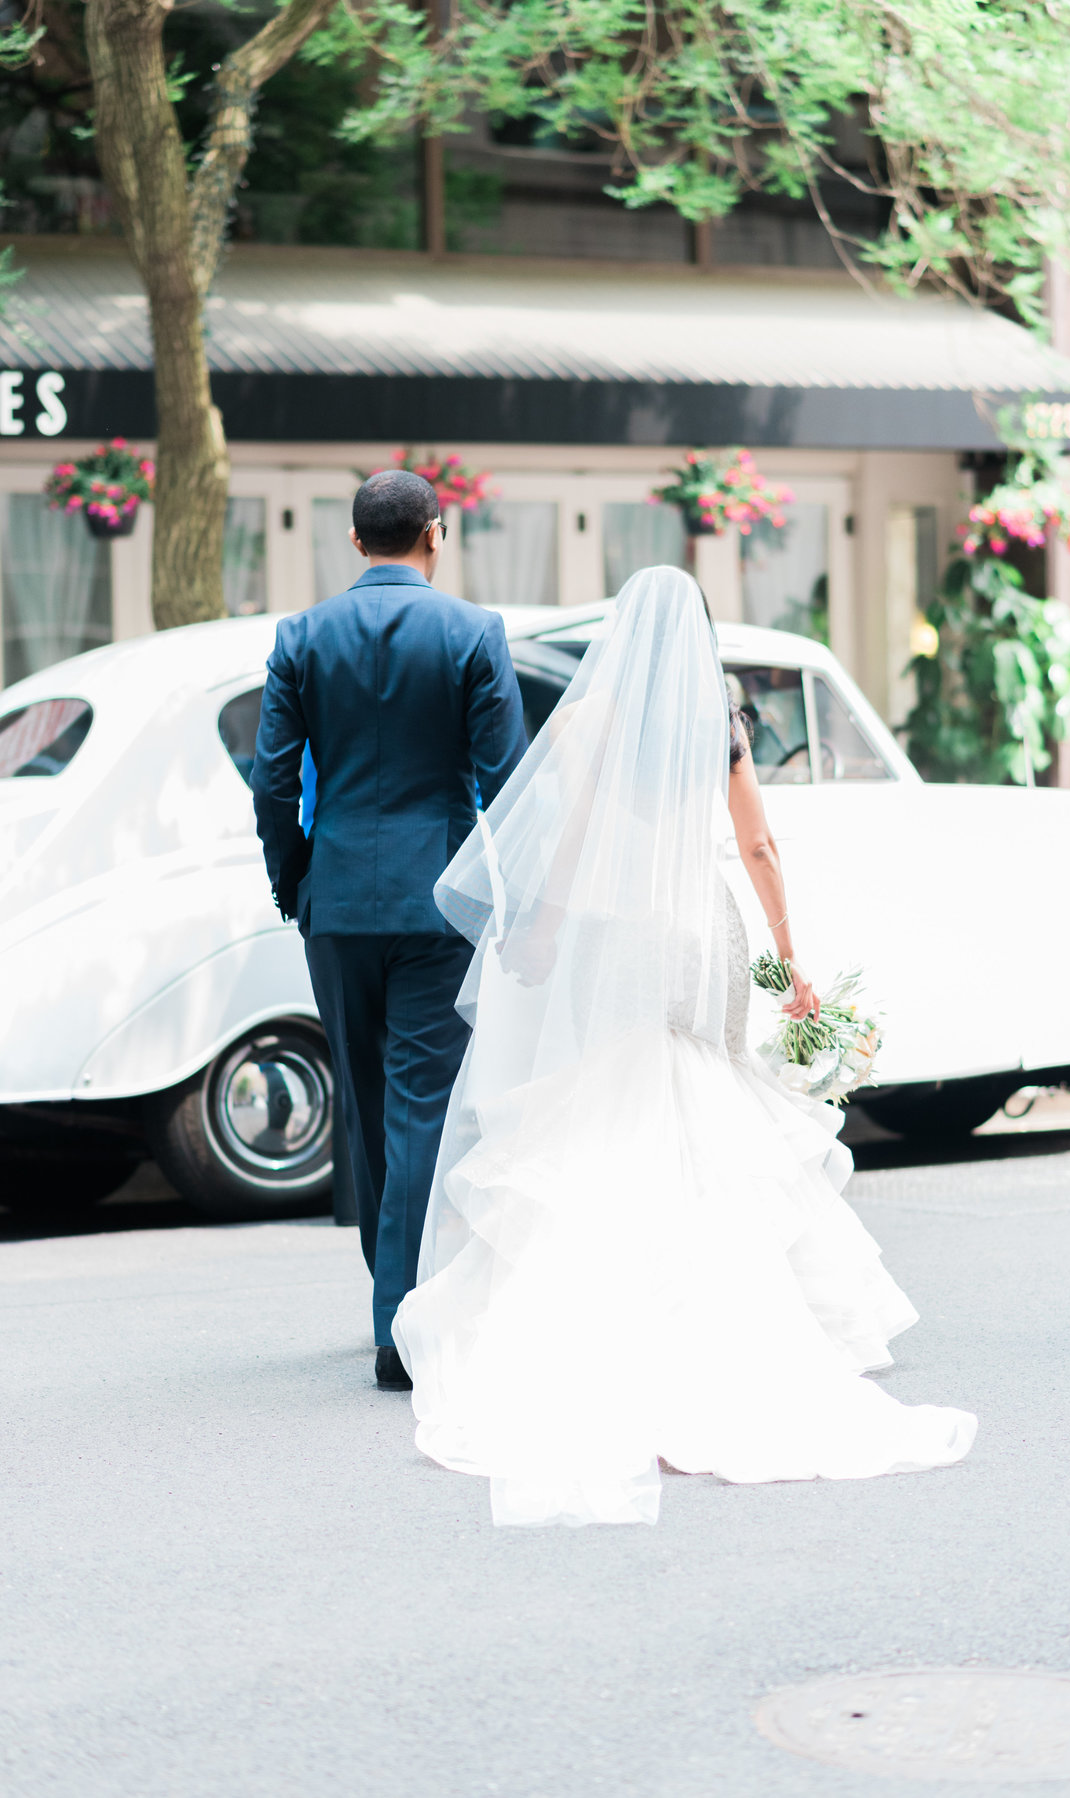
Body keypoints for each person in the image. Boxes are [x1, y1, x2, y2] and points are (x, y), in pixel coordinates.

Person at [394, 566, 975, 1526]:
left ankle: (626, 1313)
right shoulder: (722, 718)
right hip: (707, 931)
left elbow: (571, 838)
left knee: (614, 1097)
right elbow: (758, 847)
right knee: (704, 1090)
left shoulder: (590, 725)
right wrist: (790, 962)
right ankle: (736, 1310)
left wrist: (543, 932)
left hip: (625, 929)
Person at [251, 470, 526, 1385]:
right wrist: (509, 894)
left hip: (336, 902)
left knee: (367, 1109)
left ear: (359, 543)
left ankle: (391, 1296)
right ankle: (399, 1319)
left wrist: (297, 879)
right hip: (436, 900)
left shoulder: (301, 635)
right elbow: (510, 782)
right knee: (415, 1108)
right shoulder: (474, 634)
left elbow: (273, 782)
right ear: (435, 537)